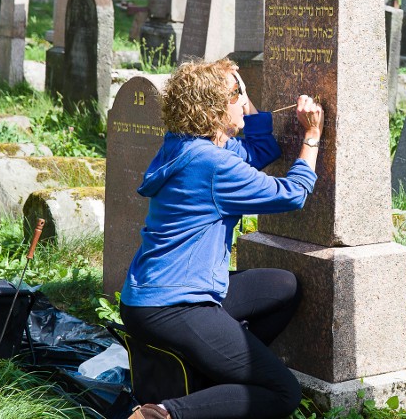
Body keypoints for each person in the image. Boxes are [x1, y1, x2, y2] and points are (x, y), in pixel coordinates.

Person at [120, 58, 323, 419]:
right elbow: (292, 194)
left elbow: (261, 151)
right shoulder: (212, 164)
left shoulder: (186, 145)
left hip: (154, 296)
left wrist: (243, 98)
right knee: (283, 392)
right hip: (174, 305)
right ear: (213, 108)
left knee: (283, 287)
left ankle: (217, 377)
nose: (244, 100)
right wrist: (312, 137)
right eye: (236, 93)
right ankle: (164, 414)